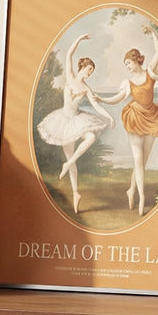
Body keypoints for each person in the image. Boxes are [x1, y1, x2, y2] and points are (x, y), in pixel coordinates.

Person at [36, 33, 115, 214]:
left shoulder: (87, 89)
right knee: (70, 158)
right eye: (89, 69)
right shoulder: (70, 76)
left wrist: (110, 117)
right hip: (62, 121)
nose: (90, 73)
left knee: (91, 137)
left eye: (92, 71)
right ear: (83, 66)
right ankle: (75, 193)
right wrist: (79, 38)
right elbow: (69, 54)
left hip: (78, 120)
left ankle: (68, 164)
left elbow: (97, 106)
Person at [95, 25, 158, 215]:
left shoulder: (150, 73)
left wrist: (153, 32)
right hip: (135, 118)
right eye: (125, 64)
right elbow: (118, 98)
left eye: (128, 62)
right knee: (137, 160)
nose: (127, 66)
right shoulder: (127, 83)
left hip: (152, 117)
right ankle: (141, 197)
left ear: (136, 60)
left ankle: (131, 189)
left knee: (142, 162)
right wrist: (102, 99)